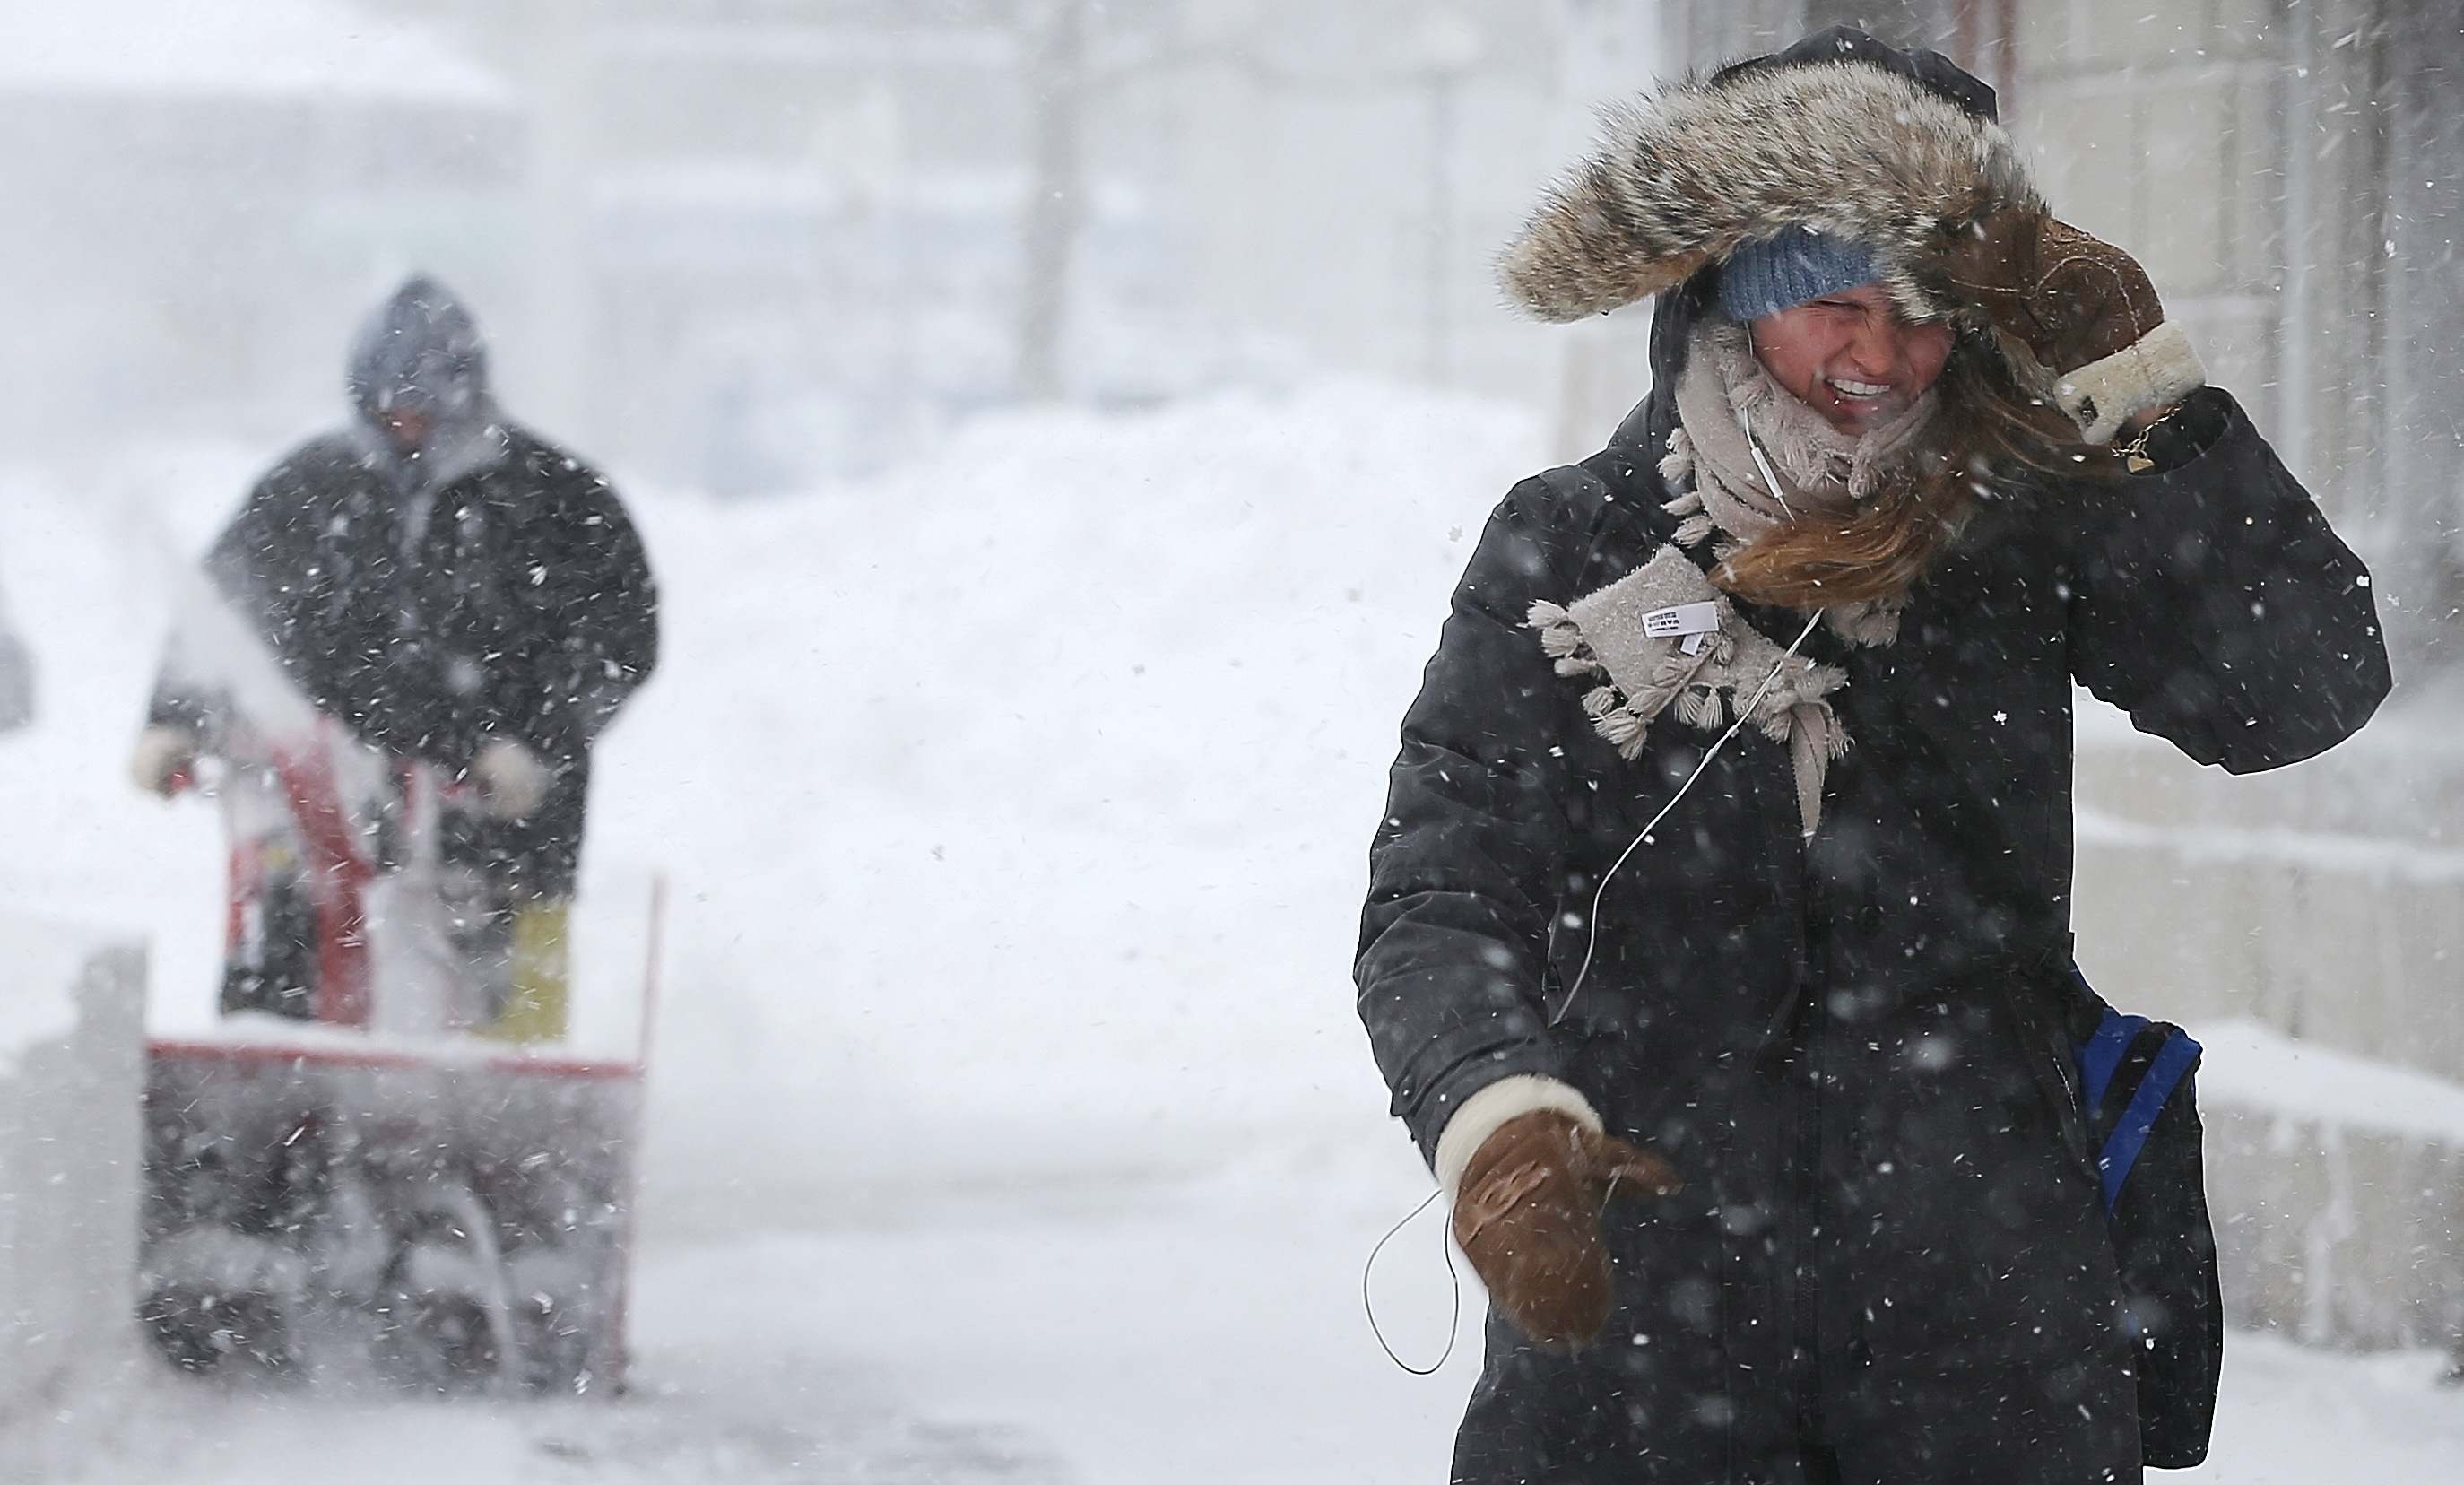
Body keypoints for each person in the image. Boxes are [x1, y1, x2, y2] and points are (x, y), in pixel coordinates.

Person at [1355, 29, 2388, 1484]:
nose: (1880, 355)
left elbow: (2299, 689)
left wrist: (2141, 386)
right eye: (1832, 302)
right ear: (1730, 289)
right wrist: (1496, 1118)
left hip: (1980, 1331)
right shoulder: (1573, 538)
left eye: (1919, 311)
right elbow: (1442, 890)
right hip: (1649, 1326)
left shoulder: (2023, 522)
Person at [132, 275, 656, 1040]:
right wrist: (175, 718)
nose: (404, 427)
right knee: (286, 1001)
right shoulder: (308, 489)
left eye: (421, 410)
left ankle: (505, 1138)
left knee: (506, 1041)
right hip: (327, 813)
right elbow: (222, 615)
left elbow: (620, 643)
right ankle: (277, 1115)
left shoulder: (558, 501)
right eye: (387, 411)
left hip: (507, 834)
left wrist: (535, 748)